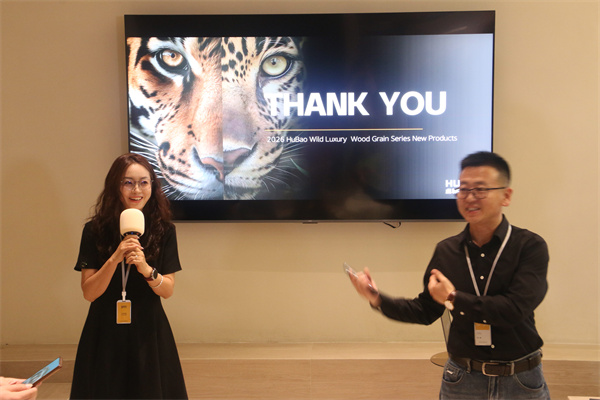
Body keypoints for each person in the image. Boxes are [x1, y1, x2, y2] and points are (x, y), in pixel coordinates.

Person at [348, 151, 550, 399]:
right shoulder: (447, 251)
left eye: (480, 189)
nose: (469, 197)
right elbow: (425, 311)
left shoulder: (529, 246)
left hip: (520, 380)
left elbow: (514, 309)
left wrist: (454, 298)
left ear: (506, 196)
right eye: (463, 189)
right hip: (463, 380)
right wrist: (377, 298)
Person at [70, 153, 188, 399]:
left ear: (152, 186)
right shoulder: (94, 230)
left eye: (144, 182)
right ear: (115, 186)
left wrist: (146, 269)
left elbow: (167, 290)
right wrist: (114, 258)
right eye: (128, 183)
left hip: (148, 330)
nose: (137, 190)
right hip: (104, 330)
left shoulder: (164, 230)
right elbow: (89, 293)